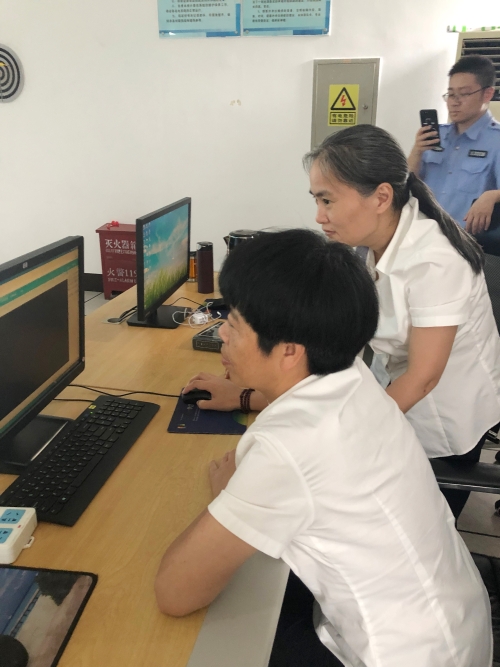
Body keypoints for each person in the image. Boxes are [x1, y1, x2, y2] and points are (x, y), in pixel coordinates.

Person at [156, 229, 492, 667]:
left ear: (289, 351)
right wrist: (244, 402)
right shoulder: (351, 375)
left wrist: (228, 497)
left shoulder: (288, 448)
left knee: (193, 640)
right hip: (452, 623)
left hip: (397, 654)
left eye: (234, 325)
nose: (221, 335)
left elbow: (175, 594)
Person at [184, 124, 500, 519]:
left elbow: (422, 378)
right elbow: (338, 347)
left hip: (438, 423)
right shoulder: (373, 244)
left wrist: (326, 443)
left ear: (381, 197)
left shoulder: (434, 263)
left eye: (328, 200)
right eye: (316, 200)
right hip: (393, 396)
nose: (319, 216)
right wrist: (250, 394)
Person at [408, 55, 500, 250]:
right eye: (450, 94)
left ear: (487, 94)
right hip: (424, 237)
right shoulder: (435, 135)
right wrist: (416, 151)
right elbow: (408, 184)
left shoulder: (496, 140)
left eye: (464, 94)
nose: (454, 102)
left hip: (467, 245)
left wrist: (492, 196)